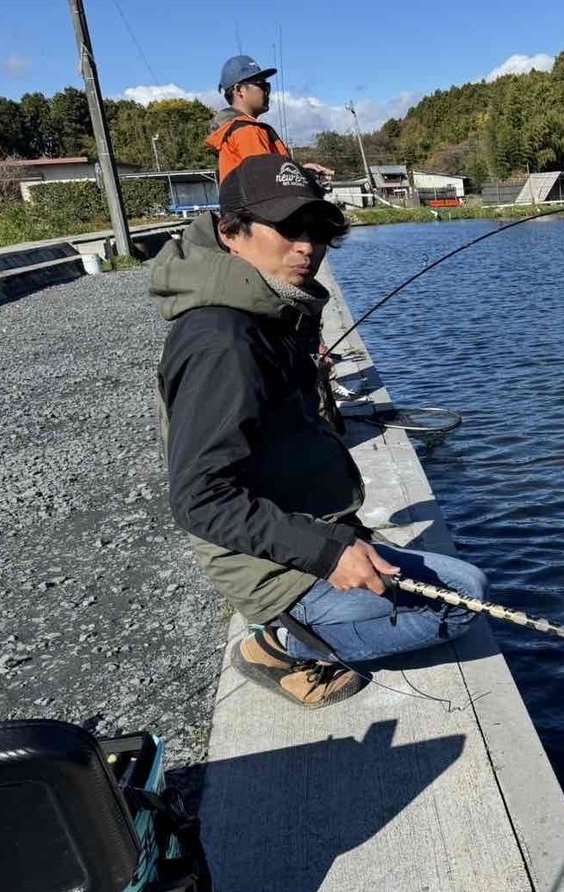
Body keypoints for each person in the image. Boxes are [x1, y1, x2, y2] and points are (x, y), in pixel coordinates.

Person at [151, 155, 485, 708]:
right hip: (271, 564)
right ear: (232, 232)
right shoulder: (222, 342)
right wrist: (328, 555)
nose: (307, 247)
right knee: (462, 601)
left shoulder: (269, 308)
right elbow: (199, 501)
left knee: (460, 582)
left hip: (310, 525)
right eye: (287, 229)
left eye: (318, 230)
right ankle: (280, 646)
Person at [205, 54, 333, 184]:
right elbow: (267, 183)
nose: (267, 92)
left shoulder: (234, 130)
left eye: (268, 86)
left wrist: (301, 172)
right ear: (239, 90)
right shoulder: (247, 130)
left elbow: (270, 175)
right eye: (262, 85)